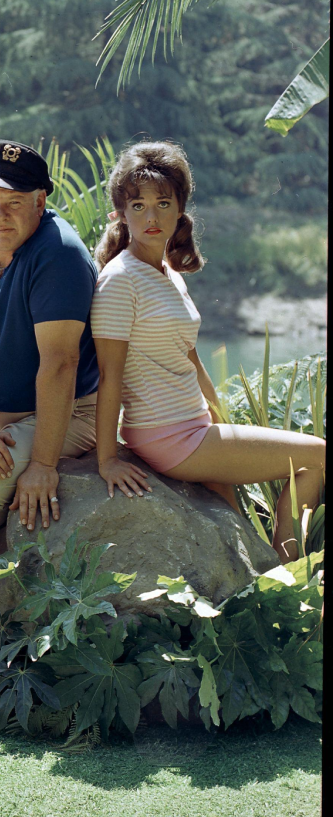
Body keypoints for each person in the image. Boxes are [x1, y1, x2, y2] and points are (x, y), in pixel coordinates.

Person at [89, 142, 325, 563]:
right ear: (120, 213)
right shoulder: (120, 281)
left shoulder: (166, 273)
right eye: (138, 205)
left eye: (163, 203)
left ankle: (270, 578)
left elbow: (190, 357)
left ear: (180, 209)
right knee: (317, 457)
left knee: (238, 541)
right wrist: (106, 459)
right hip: (168, 435)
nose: (152, 216)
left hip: (195, 426)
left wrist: (220, 419)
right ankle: (290, 571)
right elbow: (110, 375)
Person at [0, 141, 101, 560]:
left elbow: (61, 363)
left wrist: (43, 465)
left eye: (13, 203)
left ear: (40, 201)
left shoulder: (58, 253)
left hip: (68, 412)